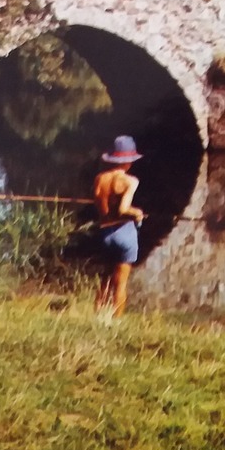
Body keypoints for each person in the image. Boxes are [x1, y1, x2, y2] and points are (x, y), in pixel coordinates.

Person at [92, 135, 146, 318]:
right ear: (128, 161)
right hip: (125, 232)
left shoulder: (99, 179)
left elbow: (100, 204)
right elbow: (123, 209)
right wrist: (137, 213)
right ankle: (116, 323)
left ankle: (98, 318)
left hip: (105, 232)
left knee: (105, 280)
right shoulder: (130, 181)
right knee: (120, 284)